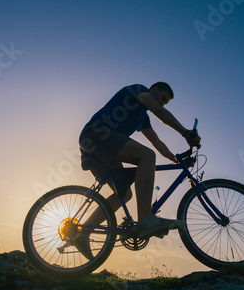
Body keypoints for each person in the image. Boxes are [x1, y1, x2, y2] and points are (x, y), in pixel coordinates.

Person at [76, 82, 201, 259]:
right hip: (97, 134)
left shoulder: (143, 118)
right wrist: (185, 132)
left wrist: (176, 160)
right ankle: (145, 220)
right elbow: (160, 113)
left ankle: (82, 232)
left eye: (165, 102)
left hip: (101, 150)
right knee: (147, 156)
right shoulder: (138, 90)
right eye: (162, 99)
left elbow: (157, 142)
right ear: (154, 90)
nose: (162, 104)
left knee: (125, 194)